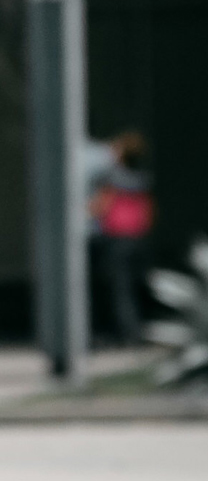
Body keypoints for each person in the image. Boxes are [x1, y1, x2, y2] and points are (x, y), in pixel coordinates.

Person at [87, 131, 154, 343]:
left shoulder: (111, 179)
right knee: (135, 285)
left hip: (116, 240)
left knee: (118, 289)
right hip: (137, 238)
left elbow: (100, 207)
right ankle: (139, 328)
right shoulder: (143, 179)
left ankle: (126, 333)